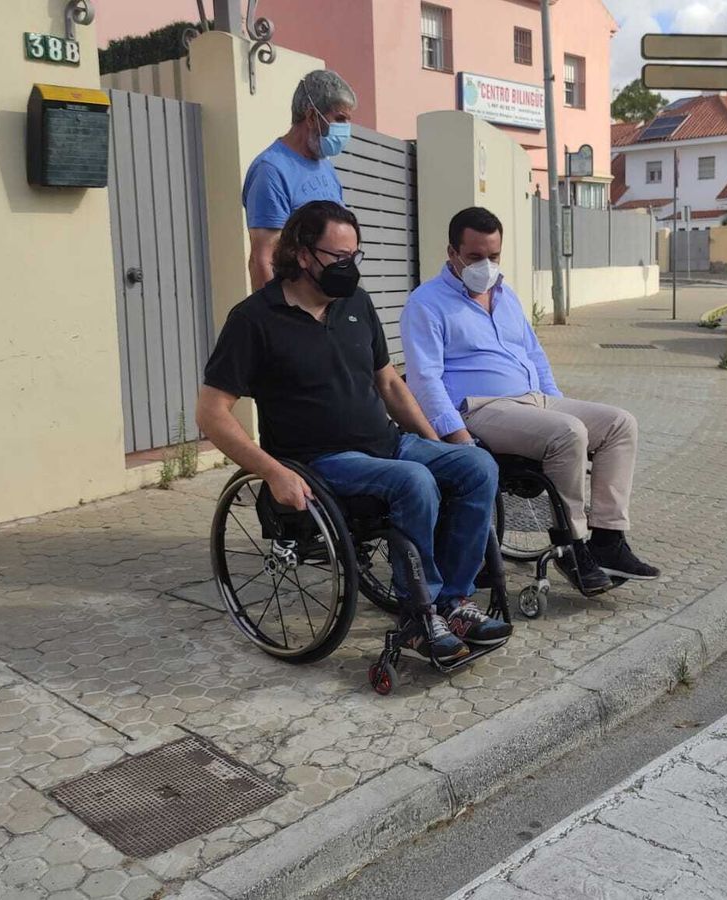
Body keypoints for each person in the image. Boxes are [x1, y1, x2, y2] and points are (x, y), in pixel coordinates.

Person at [197, 201, 509, 662]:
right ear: (302, 253)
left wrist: (434, 441)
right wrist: (272, 472)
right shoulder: (255, 319)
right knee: (414, 481)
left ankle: (454, 602)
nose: (349, 267)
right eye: (338, 256)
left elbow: (390, 384)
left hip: (387, 444)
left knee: (477, 465)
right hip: (321, 461)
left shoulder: (356, 304)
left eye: (354, 256)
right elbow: (211, 413)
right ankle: (419, 615)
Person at [401, 207, 661, 596]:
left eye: (494, 256)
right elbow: (424, 378)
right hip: (481, 408)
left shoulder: (506, 296)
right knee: (568, 432)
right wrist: (455, 436)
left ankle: (608, 540)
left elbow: (535, 356)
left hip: (534, 401)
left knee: (619, 423)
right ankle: (570, 545)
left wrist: (553, 402)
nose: (486, 266)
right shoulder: (427, 303)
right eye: (475, 256)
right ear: (452, 252)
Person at [242, 70, 356, 290]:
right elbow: (262, 259)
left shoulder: (326, 168)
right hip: (296, 303)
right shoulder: (271, 171)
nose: (346, 130)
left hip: (331, 298)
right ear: (312, 117)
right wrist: (277, 310)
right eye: (340, 119)